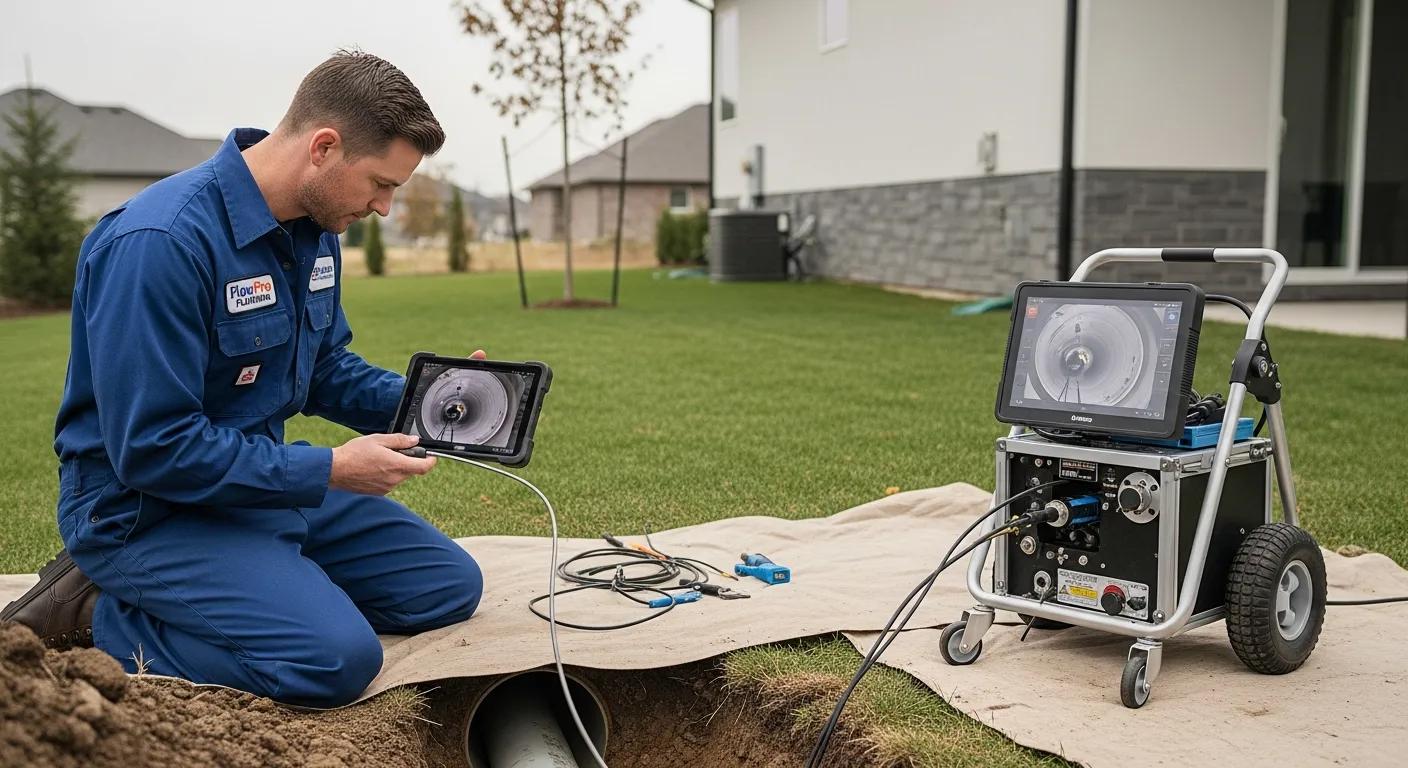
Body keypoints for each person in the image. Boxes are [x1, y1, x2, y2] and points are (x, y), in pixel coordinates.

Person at [0, 51, 483, 708]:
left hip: (254, 490)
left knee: (446, 587)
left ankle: (264, 584)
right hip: (146, 512)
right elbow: (153, 448)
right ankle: (97, 616)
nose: (385, 207)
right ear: (323, 148)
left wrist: (434, 400)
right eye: (380, 183)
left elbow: (321, 368)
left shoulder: (314, 230)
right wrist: (330, 470)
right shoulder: (160, 241)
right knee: (333, 660)